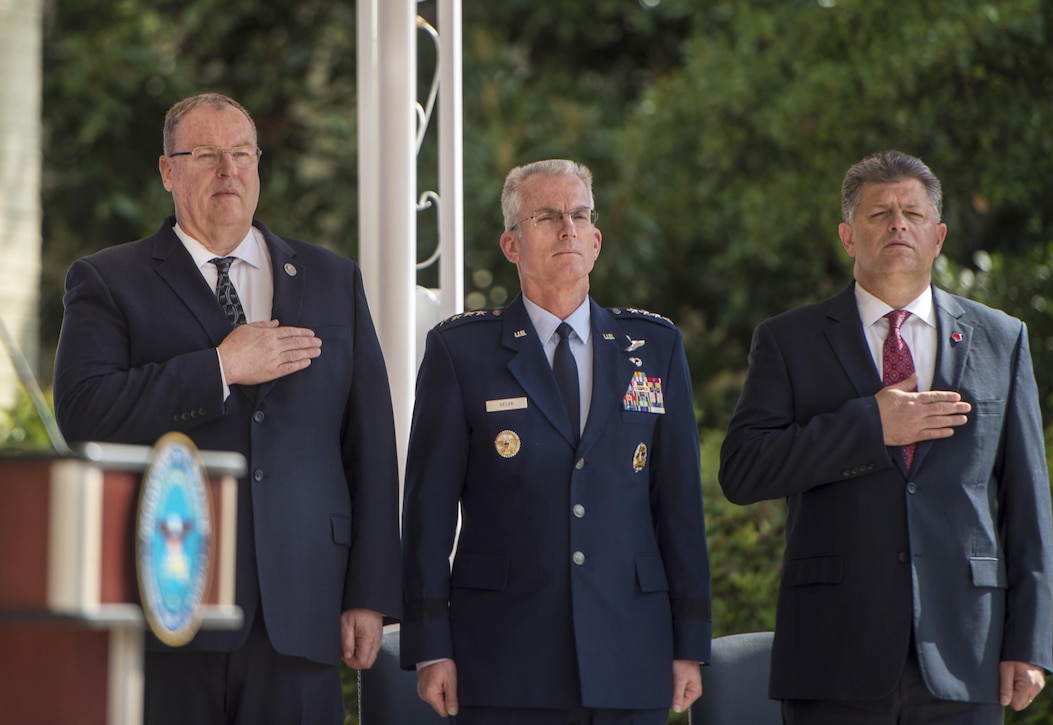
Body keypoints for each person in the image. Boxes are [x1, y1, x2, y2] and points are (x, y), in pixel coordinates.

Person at [52, 92, 402, 725]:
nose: (228, 170)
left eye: (242, 153)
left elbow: (371, 448)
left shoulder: (331, 279)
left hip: (303, 609)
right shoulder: (108, 280)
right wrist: (220, 367)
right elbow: (82, 411)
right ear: (167, 171)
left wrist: (370, 596)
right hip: (167, 603)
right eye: (207, 154)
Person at [718, 150, 1053, 724]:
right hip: (831, 656)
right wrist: (869, 425)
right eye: (879, 213)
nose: (898, 224)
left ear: (938, 235)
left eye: (912, 213)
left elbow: (1027, 504)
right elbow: (744, 470)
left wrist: (1029, 644)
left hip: (965, 653)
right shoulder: (787, 341)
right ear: (848, 236)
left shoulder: (1003, 339)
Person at [400, 159, 711, 724]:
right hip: (504, 654)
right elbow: (428, 513)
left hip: (630, 650)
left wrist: (689, 641)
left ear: (596, 241)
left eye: (579, 215)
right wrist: (431, 643)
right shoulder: (461, 351)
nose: (568, 228)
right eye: (546, 216)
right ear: (511, 244)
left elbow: (681, 506)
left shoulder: (654, 346)